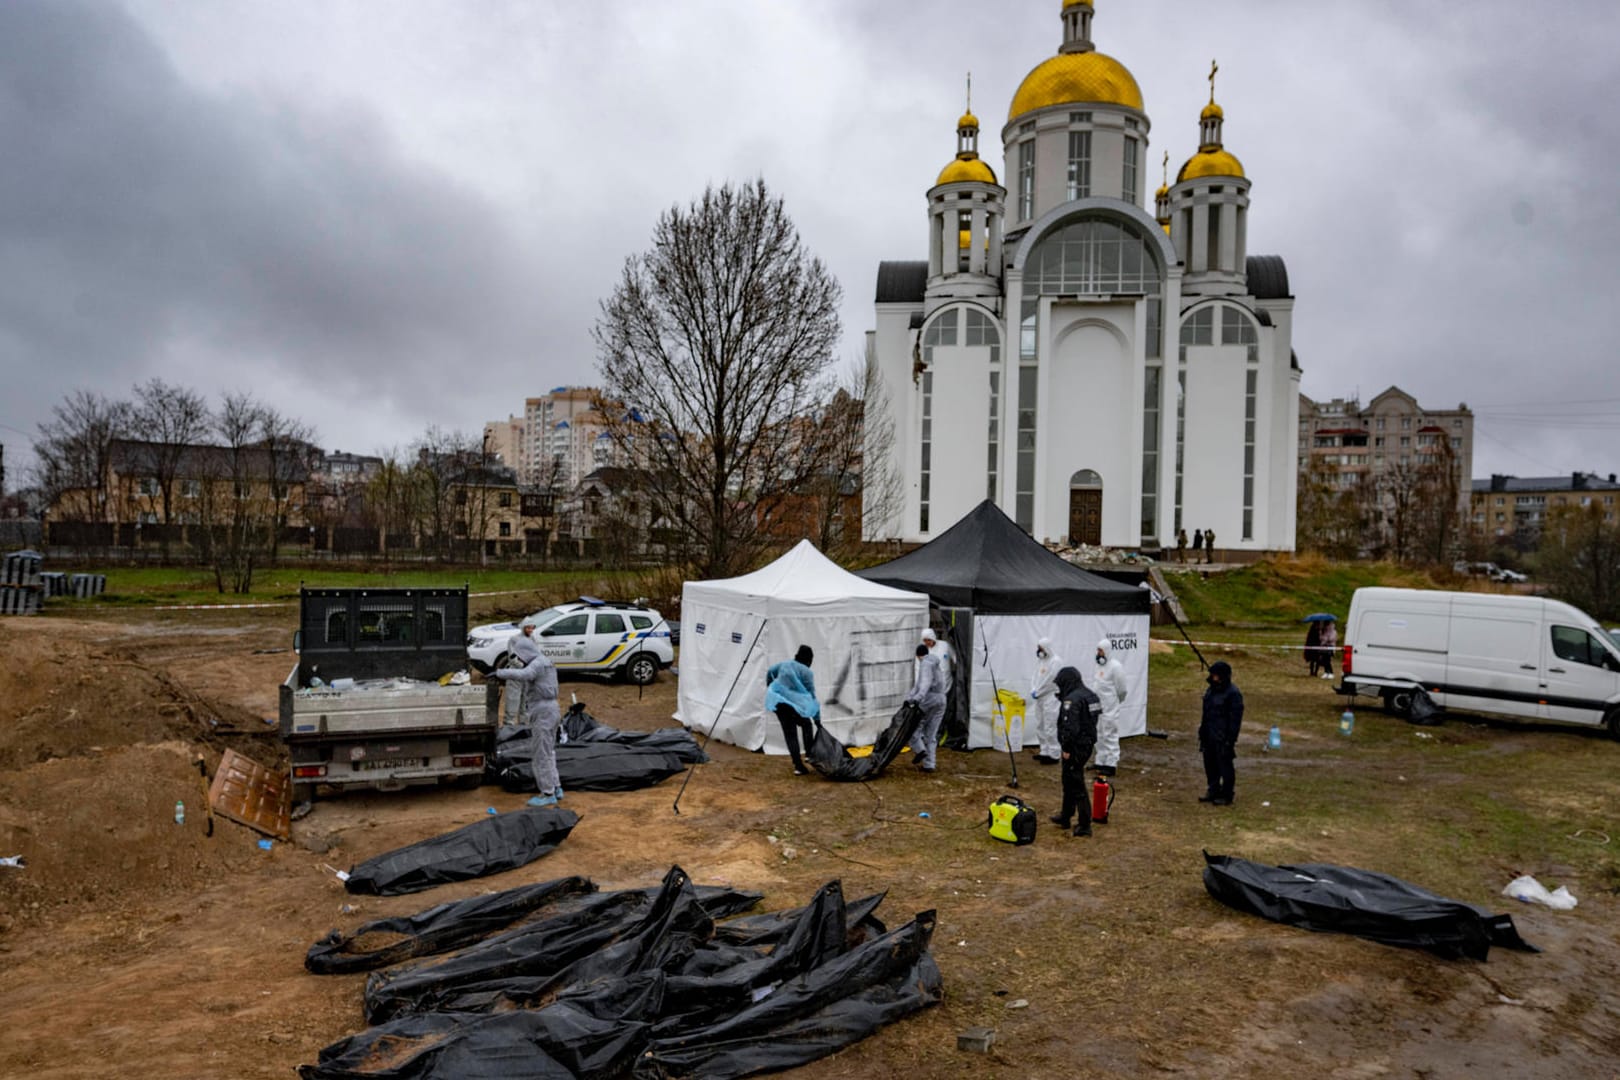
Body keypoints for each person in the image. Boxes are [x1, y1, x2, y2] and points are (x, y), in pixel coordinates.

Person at [495, 643, 562, 804]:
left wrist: (500, 673)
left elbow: (525, 674)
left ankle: (547, 793)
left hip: (543, 712)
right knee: (548, 751)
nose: (519, 660)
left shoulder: (537, 664)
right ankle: (556, 787)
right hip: (551, 709)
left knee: (541, 754)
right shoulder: (545, 661)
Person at [1048, 666, 1101, 837]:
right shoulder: (1090, 695)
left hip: (1076, 747)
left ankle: (1085, 824)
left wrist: (1067, 749)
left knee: (1076, 782)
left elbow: (1070, 728)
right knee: (1068, 779)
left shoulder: (1071, 700)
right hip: (1087, 744)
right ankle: (1066, 815)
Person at [766, 645, 820, 776]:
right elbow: (811, 695)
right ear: (809, 660)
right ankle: (809, 754)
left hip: (778, 702)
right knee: (807, 724)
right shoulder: (807, 672)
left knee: (790, 734)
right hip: (791, 704)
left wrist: (771, 687)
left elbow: (770, 672)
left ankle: (798, 766)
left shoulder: (785, 664)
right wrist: (817, 719)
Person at [1198, 661, 1244, 806]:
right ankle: (1213, 789)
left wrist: (1230, 740)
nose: (1213, 677)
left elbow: (1235, 720)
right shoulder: (1210, 690)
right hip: (1208, 734)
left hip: (1222, 737)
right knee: (1210, 764)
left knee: (1225, 766)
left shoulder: (1233, 694)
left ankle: (1227, 794)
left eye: (1216, 675)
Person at [904, 641, 947, 772]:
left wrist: (914, 699)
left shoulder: (925, 664)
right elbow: (920, 684)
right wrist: (911, 696)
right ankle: (929, 764)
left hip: (929, 699)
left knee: (913, 727)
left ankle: (920, 750)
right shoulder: (935, 664)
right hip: (942, 699)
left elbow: (923, 684)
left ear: (918, 656)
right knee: (931, 733)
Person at [1091, 638, 1128, 777]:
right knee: (1099, 733)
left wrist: (1116, 702)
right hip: (1099, 707)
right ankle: (1100, 761)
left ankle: (1111, 764)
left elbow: (1122, 689)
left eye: (1100, 650)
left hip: (1110, 708)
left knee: (1110, 734)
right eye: (1098, 650)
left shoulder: (1116, 666)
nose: (1098, 653)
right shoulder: (1099, 666)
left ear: (1106, 651)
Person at [1028, 638, 1064, 764]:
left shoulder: (1056, 662)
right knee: (1040, 724)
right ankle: (1044, 751)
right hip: (1040, 697)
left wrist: (1038, 691)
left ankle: (1054, 754)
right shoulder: (1041, 661)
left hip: (1050, 697)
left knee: (1050, 725)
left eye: (1041, 648)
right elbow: (1034, 676)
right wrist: (1033, 689)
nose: (1039, 651)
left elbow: (1051, 680)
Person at [501, 617, 542, 726]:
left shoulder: (533, 639)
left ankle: (524, 724)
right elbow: (512, 657)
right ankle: (508, 724)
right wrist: (523, 665)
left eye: (531, 628)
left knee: (527, 700)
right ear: (523, 628)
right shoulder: (514, 639)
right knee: (513, 699)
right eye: (528, 628)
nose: (530, 630)